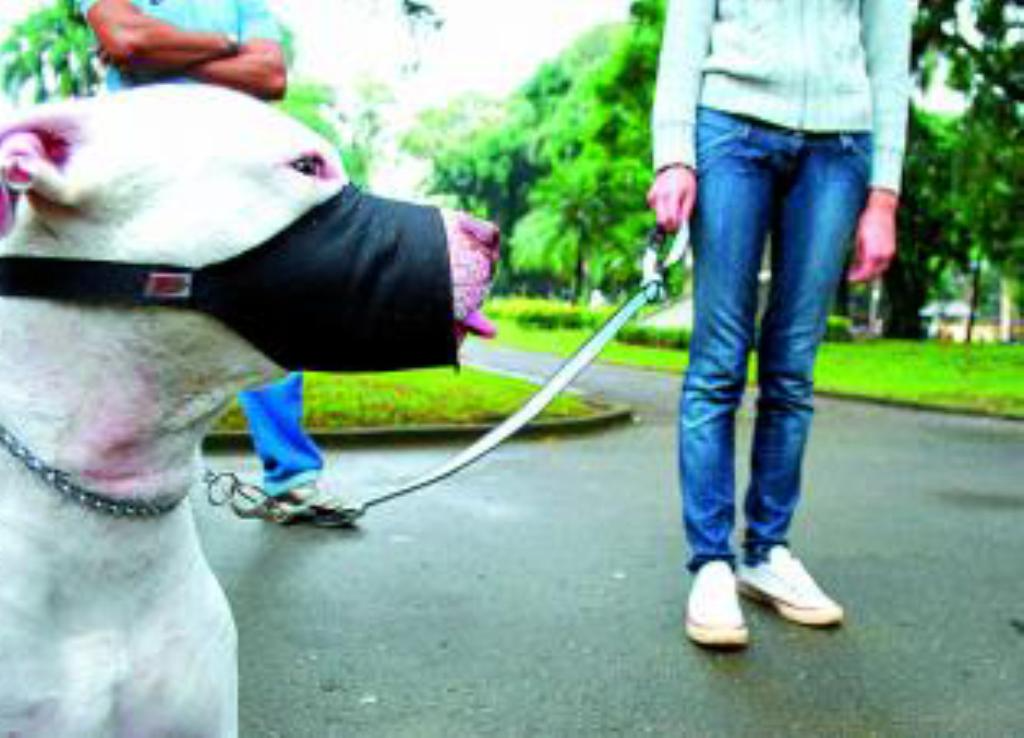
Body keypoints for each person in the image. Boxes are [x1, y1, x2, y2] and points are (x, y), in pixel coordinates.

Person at [648, 0, 911, 648]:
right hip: (728, 129)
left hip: (840, 147)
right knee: (718, 362)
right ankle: (711, 561)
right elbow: (685, 35)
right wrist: (673, 153)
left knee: (792, 370)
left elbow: (890, 58)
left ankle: (766, 553)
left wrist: (884, 194)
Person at [80, 0, 354, 525]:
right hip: (143, 176)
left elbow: (270, 74)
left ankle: (292, 481)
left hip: (236, 178)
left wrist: (159, 51)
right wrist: (228, 50)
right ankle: (113, 477)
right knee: (127, 322)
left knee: (272, 317)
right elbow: (125, 39)